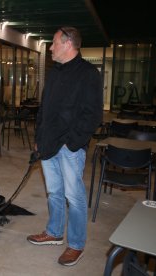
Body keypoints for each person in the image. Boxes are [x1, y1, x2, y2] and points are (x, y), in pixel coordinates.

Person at [26, 27, 103, 266]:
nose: (50, 47)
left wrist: (73, 143)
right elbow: (44, 109)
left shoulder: (89, 73)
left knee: (74, 196)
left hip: (69, 147)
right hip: (48, 144)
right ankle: (54, 232)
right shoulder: (54, 73)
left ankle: (76, 244)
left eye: (54, 43)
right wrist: (39, 136)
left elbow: (93, 115)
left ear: (68, 44)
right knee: (54, 192)